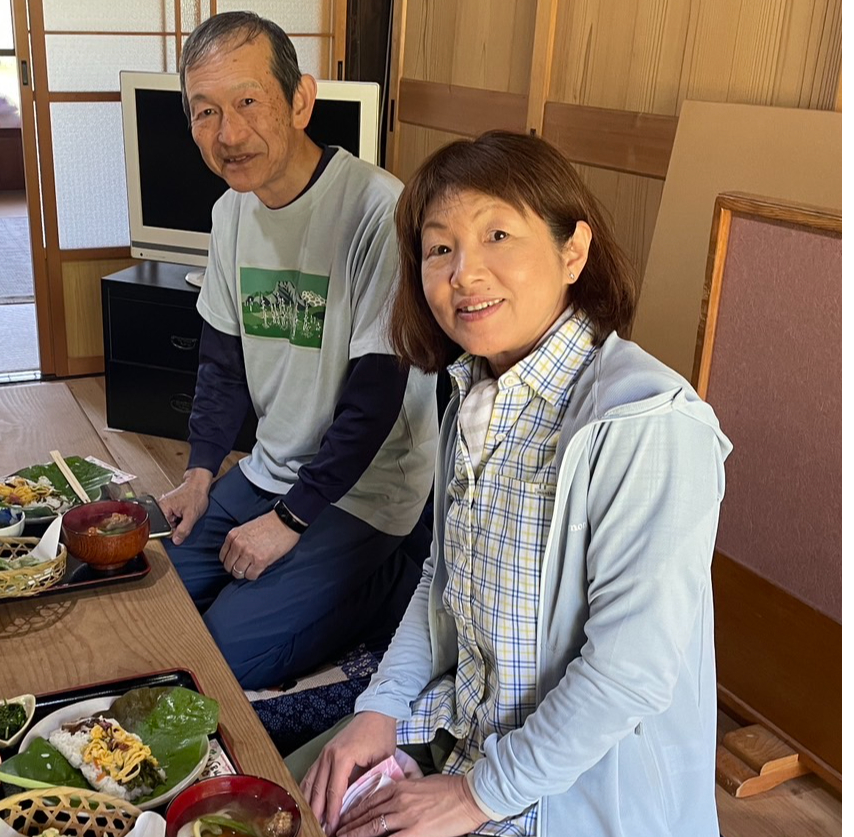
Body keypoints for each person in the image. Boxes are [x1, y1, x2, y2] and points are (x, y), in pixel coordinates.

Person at [297, 131, 732, 837]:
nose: (464, 272)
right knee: (274, 800)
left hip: (571, 794)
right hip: (465, 736)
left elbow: (628, 671)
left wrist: (473, 796)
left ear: (572, 251)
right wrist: (376, 708)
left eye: (497, 233)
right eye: (439, 248)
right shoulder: (470, 390)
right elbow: (441, 578)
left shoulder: (646, 422)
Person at [157, 12, 438, 690]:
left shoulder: (377, 209)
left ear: (300, 100)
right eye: (204, 111)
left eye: (247, 102)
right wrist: (198, 473)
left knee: (223, 656)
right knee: (148, 593)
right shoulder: (231, 213)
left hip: (365, 493)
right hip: (268, 470)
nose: (227, 133)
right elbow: (221, 363)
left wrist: (287, 521)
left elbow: (375, 400)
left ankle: (399, 576)